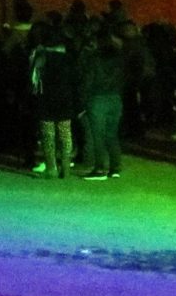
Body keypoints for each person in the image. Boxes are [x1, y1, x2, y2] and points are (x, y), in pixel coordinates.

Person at [30, 20, 78, 179]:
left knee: (48, 135)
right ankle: (66, 168)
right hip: (65, 100)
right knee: (65, 134)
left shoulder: (41, 58)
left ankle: (51, 167)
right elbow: (75, 81)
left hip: (46, 101)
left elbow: (33, 81)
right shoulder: (68, 59)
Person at [79, 23, 126, 180]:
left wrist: (82, 100)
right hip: (115, 98)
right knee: (112, 134)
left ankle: (100, 169)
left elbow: (88, 80)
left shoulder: (95, 59)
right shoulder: (119, 58)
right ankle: (115, 167)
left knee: (97, 135)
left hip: (98, 98)